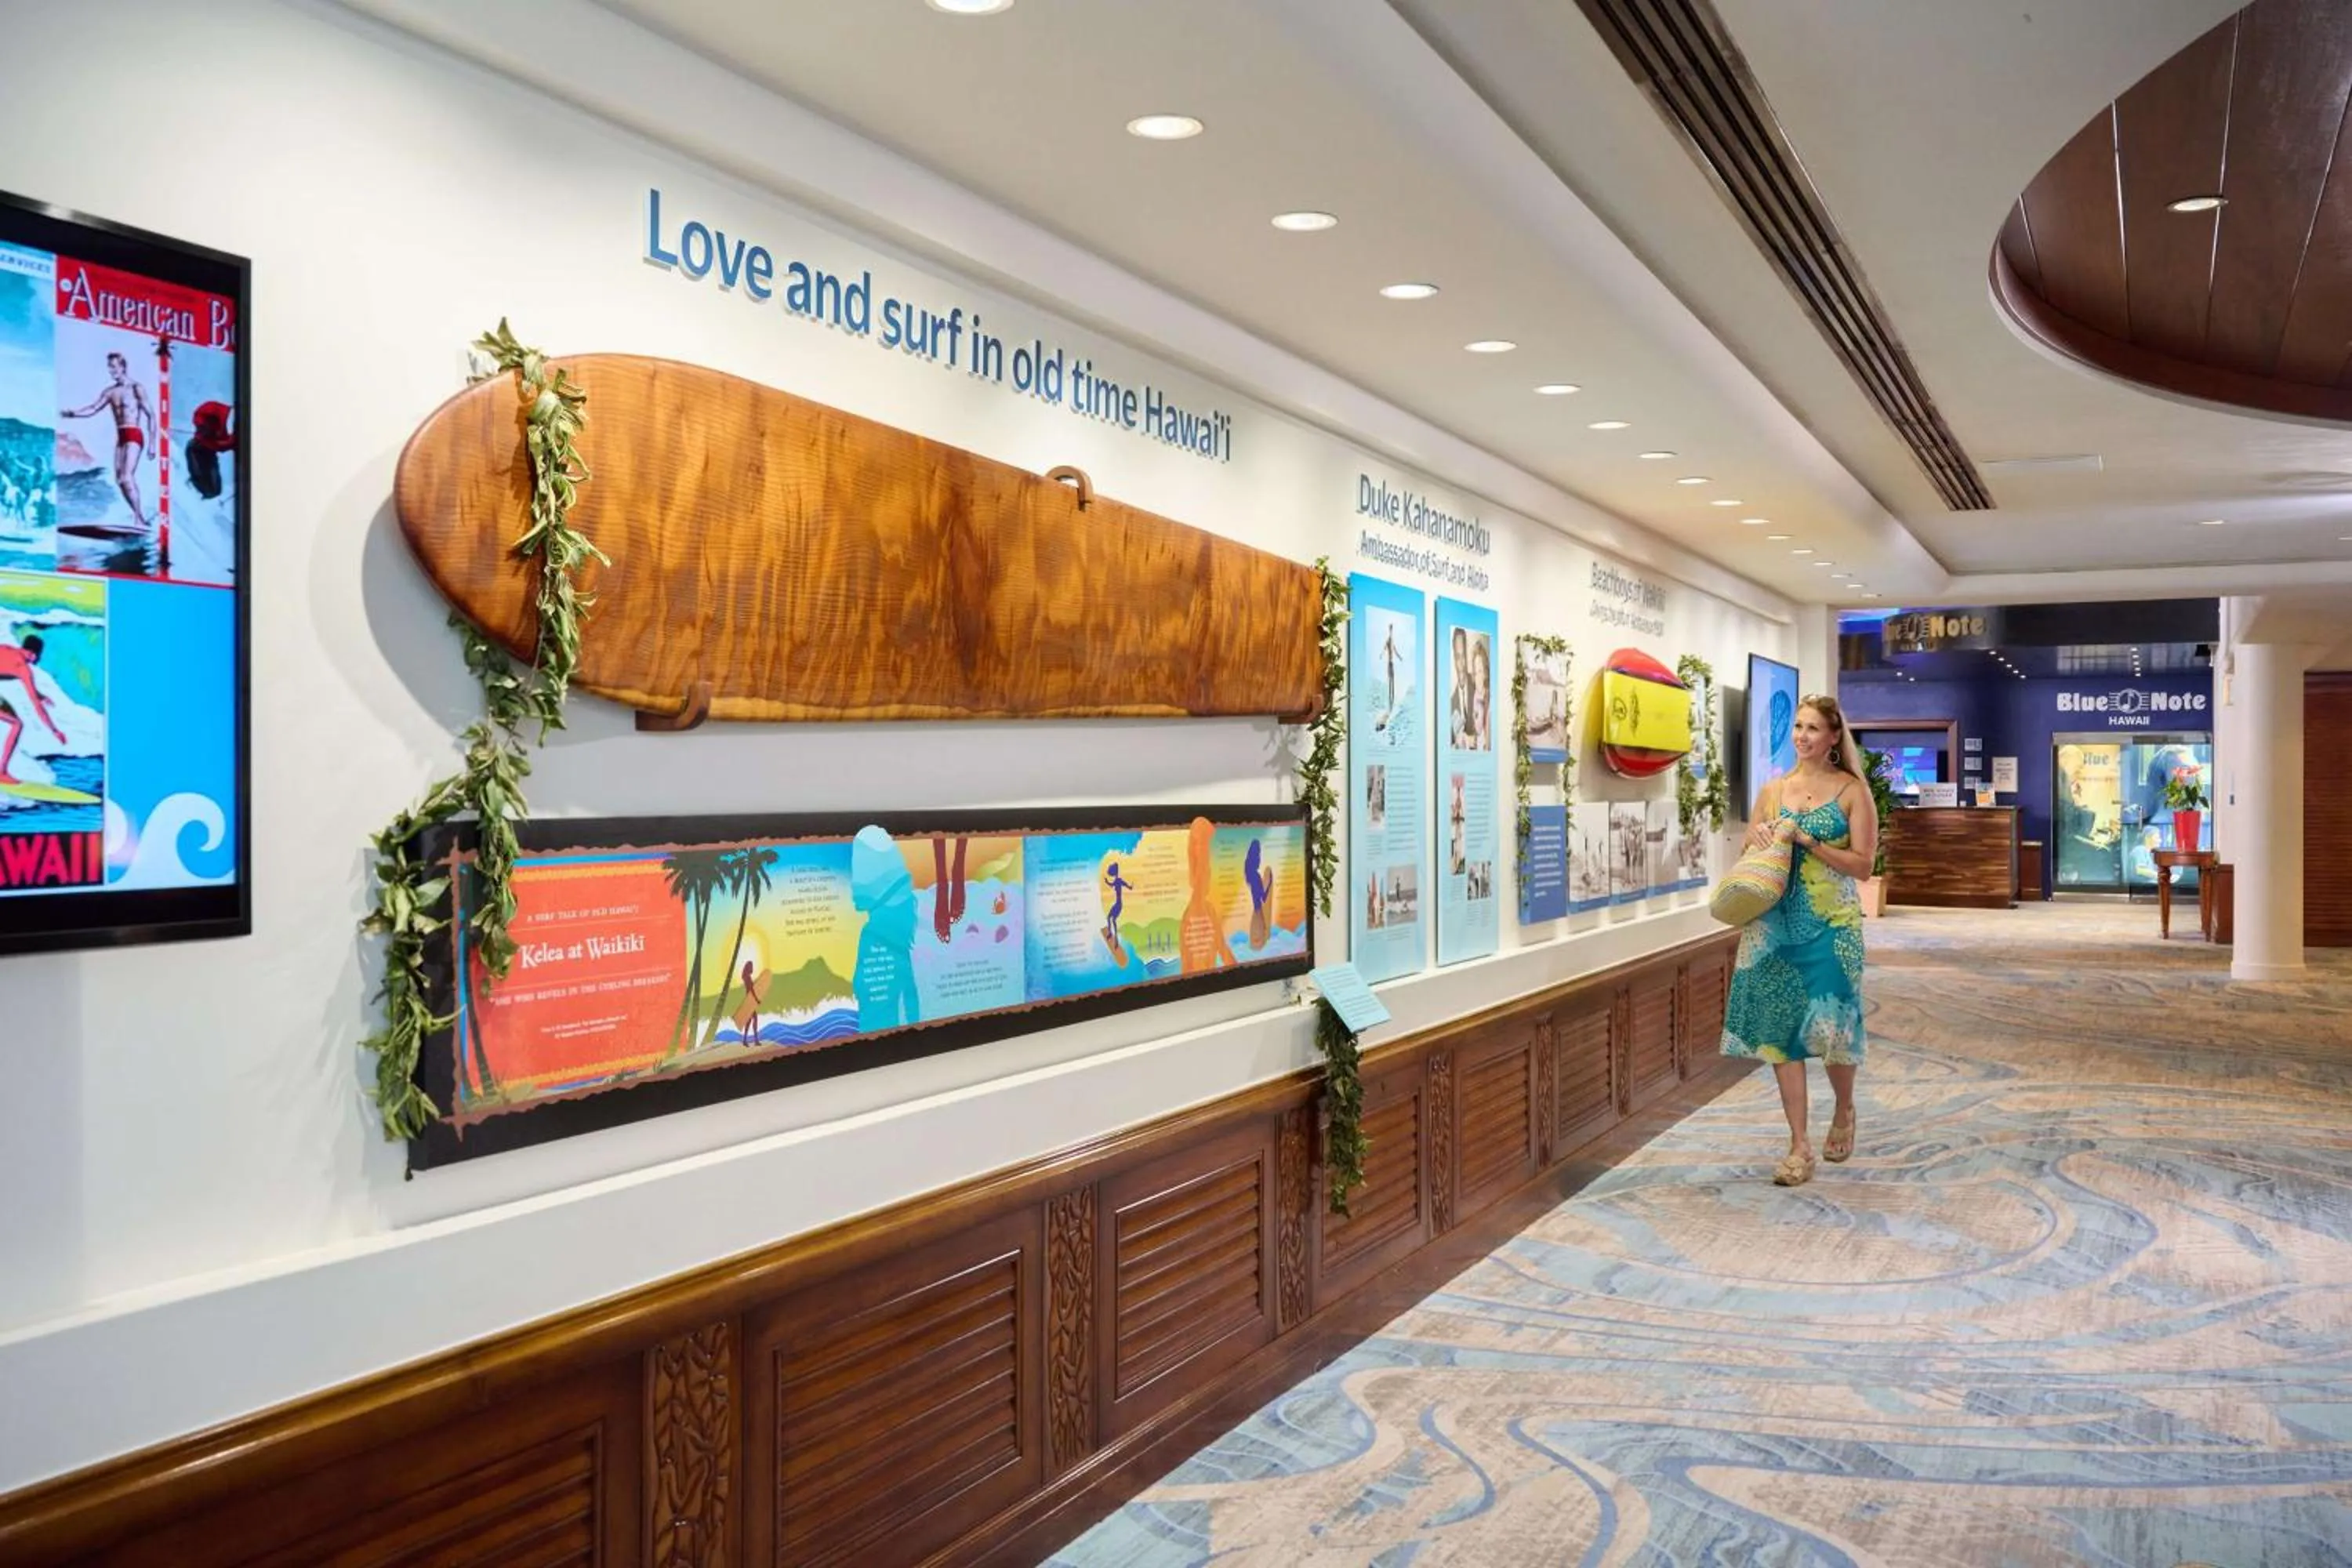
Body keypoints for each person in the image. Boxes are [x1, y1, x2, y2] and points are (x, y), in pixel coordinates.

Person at [1720, 692, 1878, 1187]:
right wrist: (1762, 838)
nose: (1803, 737)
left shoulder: (1852, 791)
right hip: (1773, 925)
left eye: (1813, 729)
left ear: (1834, 737)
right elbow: (1749, 844)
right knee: (1781, 1033)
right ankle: (1798, 1146)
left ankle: (1845, 1108)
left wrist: (1811, 842)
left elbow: (1864, 865)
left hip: (1833, 926)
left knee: (1834, 1030)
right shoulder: (1773, 789)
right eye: (1798, 728)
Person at [61, 351, 155, 529]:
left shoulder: (136, 388)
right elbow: (93, 408)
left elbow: (151, 416)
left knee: (127, 477)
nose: (111, 371)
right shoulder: (110, 392)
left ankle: (138, 519)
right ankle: (140, 517)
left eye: (113, 367)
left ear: (122, 367)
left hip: (134, 434)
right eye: (109, 367)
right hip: (121, 436)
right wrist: (72, 414)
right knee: (120, 480)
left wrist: (152, 444)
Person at [0, 633, 67, 785]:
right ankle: (1, 773)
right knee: (17, 724)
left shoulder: (7, 649)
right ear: (33, 654)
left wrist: (40, 695)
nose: (37, 659)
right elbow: (36, 706)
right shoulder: (23, 668)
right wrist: (55, 731)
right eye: (38, 655)